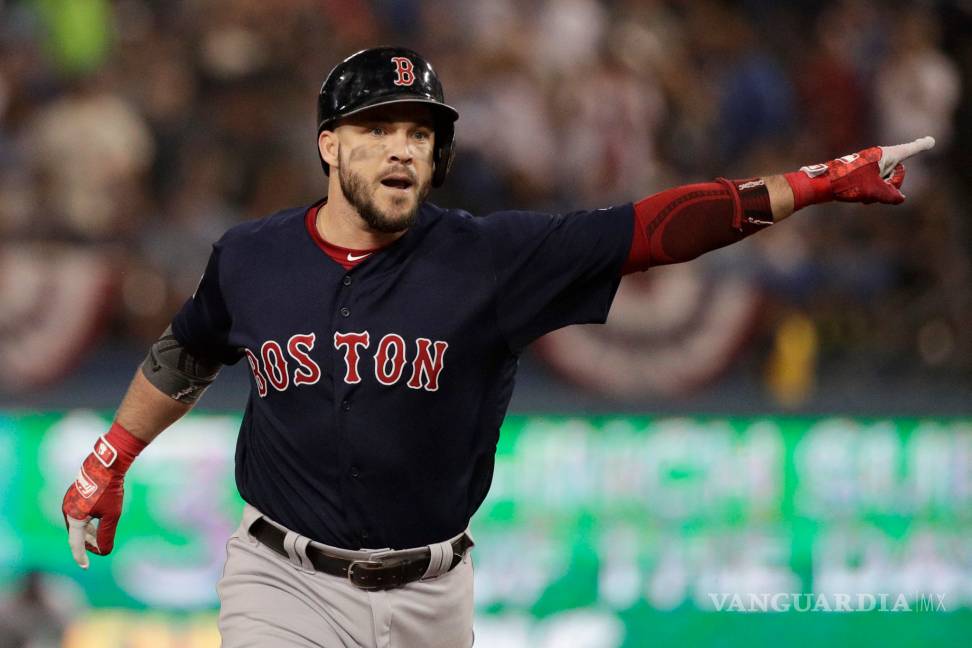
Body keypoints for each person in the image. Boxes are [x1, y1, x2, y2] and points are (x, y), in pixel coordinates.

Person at [60, 47, 935, 647]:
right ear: (329, 145)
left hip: (432, 597)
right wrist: (110, 458)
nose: (403, 149)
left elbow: (650, 231)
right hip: (281, 580)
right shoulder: (252, 257)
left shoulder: (491, 258)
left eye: (419, 133)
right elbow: (190, 349)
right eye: (378, 129)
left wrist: (813, 184)